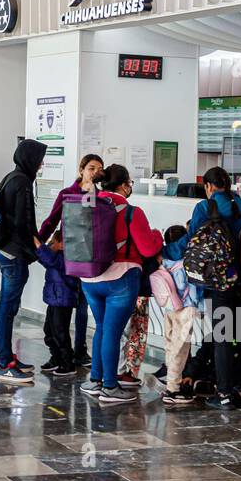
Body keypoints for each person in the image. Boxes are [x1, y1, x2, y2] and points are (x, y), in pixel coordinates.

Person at [162, 166, 241, 410]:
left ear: (209, 187)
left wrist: (164, 252)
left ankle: (224, 393)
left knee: (223, 335)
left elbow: (190, 242)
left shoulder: (205, 207)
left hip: (219, 281)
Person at [78, 165, 162, 405]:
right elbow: (148, 248)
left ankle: (95, 381)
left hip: (89, 278)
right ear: (125, 185)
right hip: (121, 279)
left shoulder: (88, 203)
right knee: (113, 333)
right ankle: (111, 386)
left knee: (102, 328)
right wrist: (156, 235)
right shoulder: (131, 211)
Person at [39, 153, 103, 367]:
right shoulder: (67, 194)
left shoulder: (102, 196)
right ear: (81, 170)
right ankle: (60, 353)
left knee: (83, 307)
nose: (95, 173)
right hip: (70, 259)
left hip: (91, 259)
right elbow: (52, 220)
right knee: (63, 309)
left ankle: (80, 350)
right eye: (91, 168)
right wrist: (38, 243)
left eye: (98, 169)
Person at [0, 138, 47, 384]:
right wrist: (37, 251)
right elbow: (24, 223)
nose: (41, 163)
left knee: (8, 306)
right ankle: (5, 362)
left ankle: (8, 357)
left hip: (4, 249)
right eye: (39, 158)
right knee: (7, 307)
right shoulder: (22, 182)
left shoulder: (11, 177)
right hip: (14, 253)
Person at [153, 224, 203, 407]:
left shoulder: (163, 261)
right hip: (185, 309)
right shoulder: (185, 263)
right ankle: (173, 390)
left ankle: (172, 381)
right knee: (180, 349)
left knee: (170, 345)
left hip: (168, 308)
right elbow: (191, 289)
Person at [36, 230, 80, 375]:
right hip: (54, 299)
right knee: (49, 330)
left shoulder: (67, 259)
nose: (51, 245)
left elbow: (50, 259)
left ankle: (68, 363)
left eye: (54, 242)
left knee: (60, 332)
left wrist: (39, 245)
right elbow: (44, 259)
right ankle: (56, 358)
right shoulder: (56, 257)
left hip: (63, 300)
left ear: (62, 245)